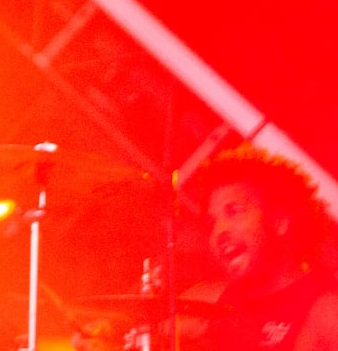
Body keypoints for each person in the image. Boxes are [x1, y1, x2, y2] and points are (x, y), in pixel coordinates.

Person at [74, 144, 338, 351]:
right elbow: (144, 326)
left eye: (234, 211)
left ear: (279, 222)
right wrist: (106, 332)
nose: (219, 231)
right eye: (212, 222)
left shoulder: (326, 310)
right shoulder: (213, 301)